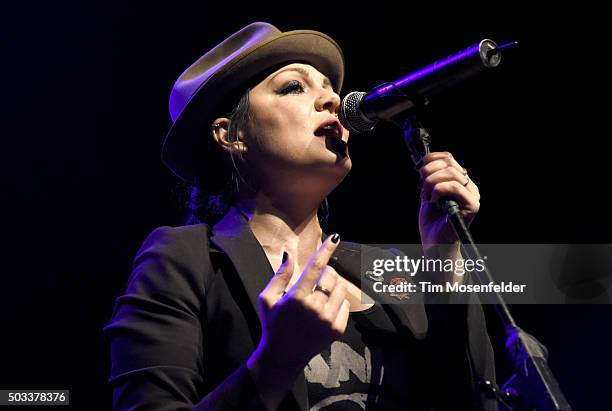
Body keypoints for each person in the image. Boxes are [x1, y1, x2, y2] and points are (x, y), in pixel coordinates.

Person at [104, 22, 497, 410]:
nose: (332, 102)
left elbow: (472, 399)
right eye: (294, 87)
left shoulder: (387, 270)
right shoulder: (184, 259)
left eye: (331, 88)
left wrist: (445, 258)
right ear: (230, 135)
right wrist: (275, 362)